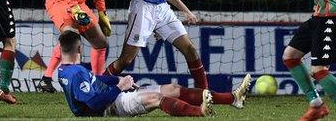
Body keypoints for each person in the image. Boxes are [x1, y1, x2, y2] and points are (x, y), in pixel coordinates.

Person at [57, 30, 251, 117]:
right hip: (110, 106)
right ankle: (199, 111)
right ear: (80, 48)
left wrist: (117, 79)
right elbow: (93, 104)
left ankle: (232, 98)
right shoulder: (75, 74)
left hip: (114, 95)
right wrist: (118, 87)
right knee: (156, 98)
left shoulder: (67, 70)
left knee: (173, 89)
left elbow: (95, 79)